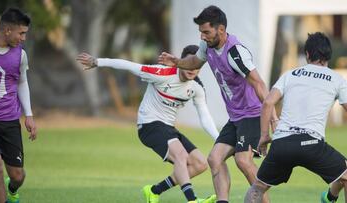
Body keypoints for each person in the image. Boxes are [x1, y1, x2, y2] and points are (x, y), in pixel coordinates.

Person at [158, 5, 276, 203]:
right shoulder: (207, 46)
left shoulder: (236, 52)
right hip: (236, 117)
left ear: (220, 29)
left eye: (206, 32)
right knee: (214, 159)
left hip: (252, 113)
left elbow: (259, 83)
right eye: (201, 33)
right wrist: (177, 62)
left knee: (243, 161)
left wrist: (272, 117)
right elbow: (195, 61)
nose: (203, 37)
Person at [76, 45, 218, 203]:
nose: (192, 69)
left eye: (196, 66)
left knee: (200, 164)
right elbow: (129, 65)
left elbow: (204, 116)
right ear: (181, 62)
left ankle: (153, 191)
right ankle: (192, 200)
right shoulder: (162, 73)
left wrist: (219, 139)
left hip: (168, 128)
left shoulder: (197, 87)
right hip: (149, 125)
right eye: (189, 63)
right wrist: (97, 61)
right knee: (181, 156)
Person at [244, 32, 347, 203]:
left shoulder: (290, 74)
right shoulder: (337, 79)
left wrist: (264, 136)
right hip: (311, 144)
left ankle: (330, 197)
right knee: (345, 176)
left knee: (257, 188)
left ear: (307, 54)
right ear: (328, 54)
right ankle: (331, 197)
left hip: (282, 143)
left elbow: (268, 103)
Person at [0, 8, 37, 203]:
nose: (23, 38)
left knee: (18, 176)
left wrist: (29, 115)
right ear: (7, 30)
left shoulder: (20, 55)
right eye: (21, 33)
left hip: (9, 121)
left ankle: (12, 189)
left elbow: (22, 82)